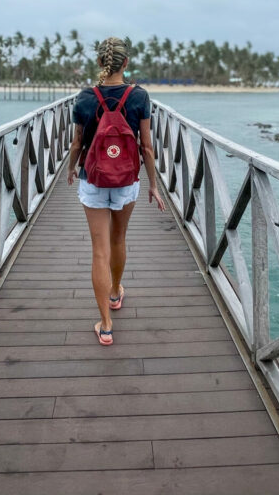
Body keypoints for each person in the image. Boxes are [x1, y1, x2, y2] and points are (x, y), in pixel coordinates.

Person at [67, 37, 165, 346]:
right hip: (126, 180)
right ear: (125, 63)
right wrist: (153, 184)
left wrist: (71, 168)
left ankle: (106, 326)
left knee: (99, 250)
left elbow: (77, 143)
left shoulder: (84, 98)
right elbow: (147, 147)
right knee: (119, 238)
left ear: (100, 63)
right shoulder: (139, 97)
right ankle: (115, 293)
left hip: (93, 179)